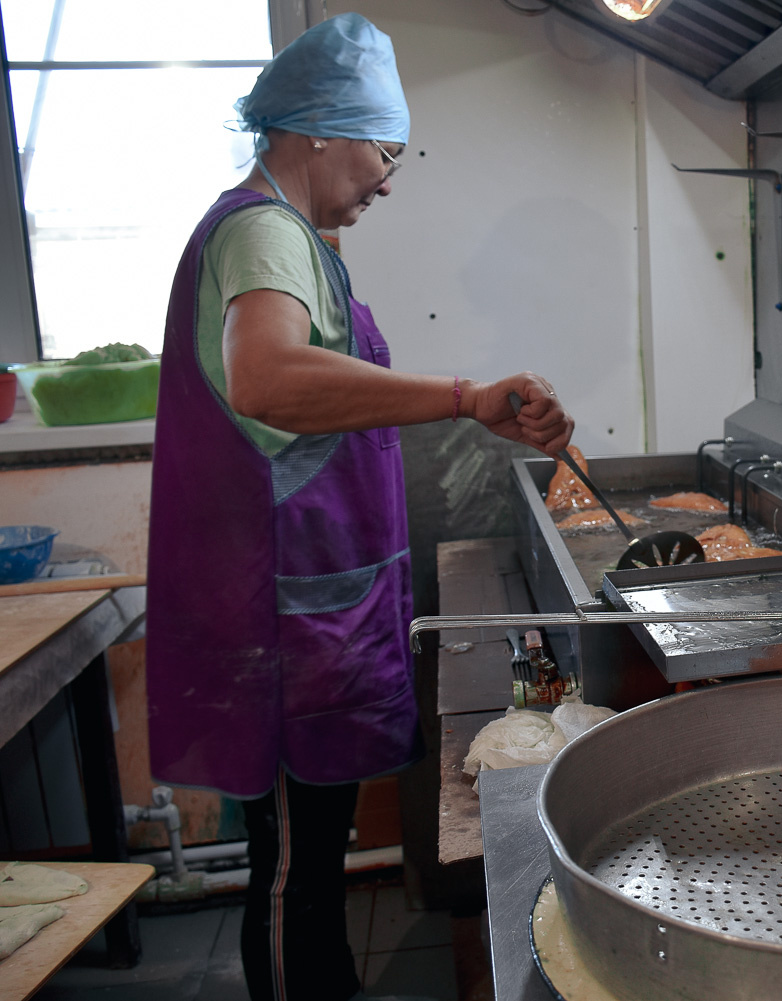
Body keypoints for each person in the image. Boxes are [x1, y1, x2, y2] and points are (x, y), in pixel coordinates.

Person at [145, 14, 572, 1001]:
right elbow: (268, 378)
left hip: (311, 613)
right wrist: (466, 399)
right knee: (297, 875)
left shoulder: (292, 237)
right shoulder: (262, 230)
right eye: (384, 150)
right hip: (285, 623)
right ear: (320, 131)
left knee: (309, 871)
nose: (388, 178)